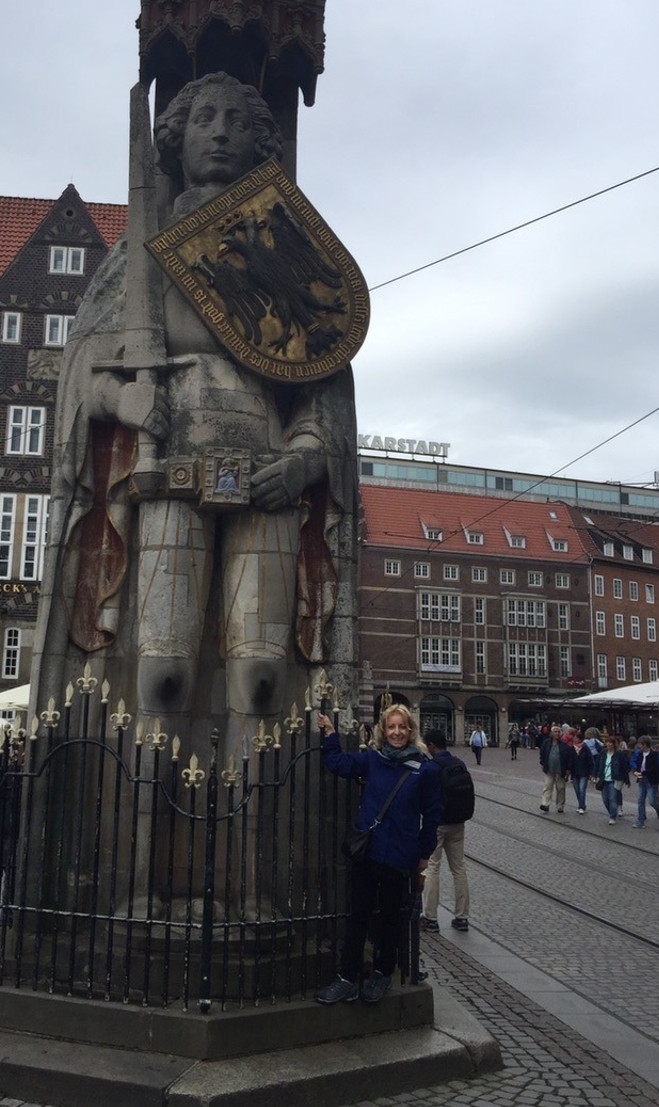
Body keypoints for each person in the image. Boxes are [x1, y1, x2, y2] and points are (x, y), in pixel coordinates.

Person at [34, 71, 358, 752]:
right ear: (175, 138)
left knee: (264, 676)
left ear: (260, 143)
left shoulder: (286, 249)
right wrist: (121, 398)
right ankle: (145, 813)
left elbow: (323, 383)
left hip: (266, 472)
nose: (219, 132)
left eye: (237, 121)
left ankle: (257, 830)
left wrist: (303, 462)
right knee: (163, 673)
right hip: (169, 470)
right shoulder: (142, 253)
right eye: (205, 117)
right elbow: (81, 370)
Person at [315, 705, 440, 1005]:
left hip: (400, 855)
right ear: (383, 731)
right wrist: (330, 735)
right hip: (368, 853)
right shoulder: (373, 760)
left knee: (389, 919)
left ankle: (382, 973)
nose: (396, 732)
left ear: (411, 731)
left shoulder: (425, 769)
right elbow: (340, 764)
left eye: (402, 727)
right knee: (357, 916)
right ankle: (347, 978)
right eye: (391, 727)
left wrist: (423, 855)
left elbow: (433, 816)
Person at [420, 728, 471, 933]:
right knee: (459, 869)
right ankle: (462, 917)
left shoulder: (432, 766)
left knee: (432, 867)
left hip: (438, 825)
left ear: (432, 745)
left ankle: (430, 918)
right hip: (458, 823)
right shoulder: (459, 763)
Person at [629, 736, 659, 830]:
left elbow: (654, 768)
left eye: (640, 745)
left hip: (651, 780)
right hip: (642, 780)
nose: (639, 748)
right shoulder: (640, 754)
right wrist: (636, 771)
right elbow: (637, 764)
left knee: (653, 802)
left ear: (645, 745)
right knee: (640, 800)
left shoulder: (654, 755)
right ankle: (641, 821)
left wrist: (642, 773)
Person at [538, 724, 575, 814]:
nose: (557, 733)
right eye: (555, 732)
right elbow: (542, 754)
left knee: (561, 788)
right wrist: (543, 763)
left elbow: (568, 757)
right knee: (548, 786)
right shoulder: (546, 743)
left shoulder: (564, 745)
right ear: (551, 733)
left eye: (558, 732)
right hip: (549, 769)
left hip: (560, 770)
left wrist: (568, 769)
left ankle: (560, 806)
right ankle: (545, 804)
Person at [597, 735, 631, 824]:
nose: (609, 744)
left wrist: (626, 780)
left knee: (612, 798)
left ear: (614, 744)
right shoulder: (603, 753)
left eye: (611, 743)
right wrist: (594, 774)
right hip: (604, 779)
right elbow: (597, 765)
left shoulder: (619, 754)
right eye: (607, 742)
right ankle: (613, 812)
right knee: (605, 799)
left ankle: (612, 816)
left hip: (615, 779)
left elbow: (625, 768)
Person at [570, 731, 594, 815]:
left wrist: (591, 772)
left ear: (580, 739)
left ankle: (581, 807)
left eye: (576, 738)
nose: (574, 739)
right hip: (575, 772)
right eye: (574, 738)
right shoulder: (572, 748)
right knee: (577, 790)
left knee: (581, 789)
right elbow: (570, 760)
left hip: (584, 772)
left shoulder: (585, 748)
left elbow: (590, 760)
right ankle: (582, 804)